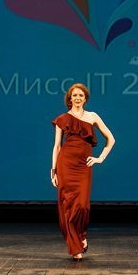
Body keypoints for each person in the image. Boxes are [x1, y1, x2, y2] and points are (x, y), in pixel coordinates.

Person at [51, 83, 115, 261]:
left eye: (81, 95)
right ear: (70, 99)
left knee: (82, 205)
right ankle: (75, 248)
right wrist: (53, 170)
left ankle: (81, 235)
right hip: (66, 165)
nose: (78, 98)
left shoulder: (92, 116)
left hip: (83, 166)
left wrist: (100, 158)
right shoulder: (62, 119)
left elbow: (111, 139)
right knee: (67, 206)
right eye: (74, 95)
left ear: (85, 98)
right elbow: (57, 147)